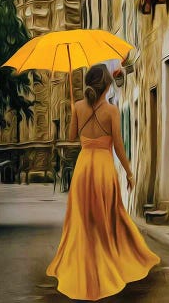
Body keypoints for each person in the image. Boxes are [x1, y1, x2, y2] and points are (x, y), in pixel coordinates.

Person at [46, 63, 160, 300]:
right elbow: (118, 146)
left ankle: (83, 270)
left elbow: (71, 137)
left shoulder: (78, 107)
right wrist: (129, 173)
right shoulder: (112, 111)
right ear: (106, 85)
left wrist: (73, 112)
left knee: (83, 221)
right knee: (109, 218)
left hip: (83, 169)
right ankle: (110, 263)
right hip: (104, 169)